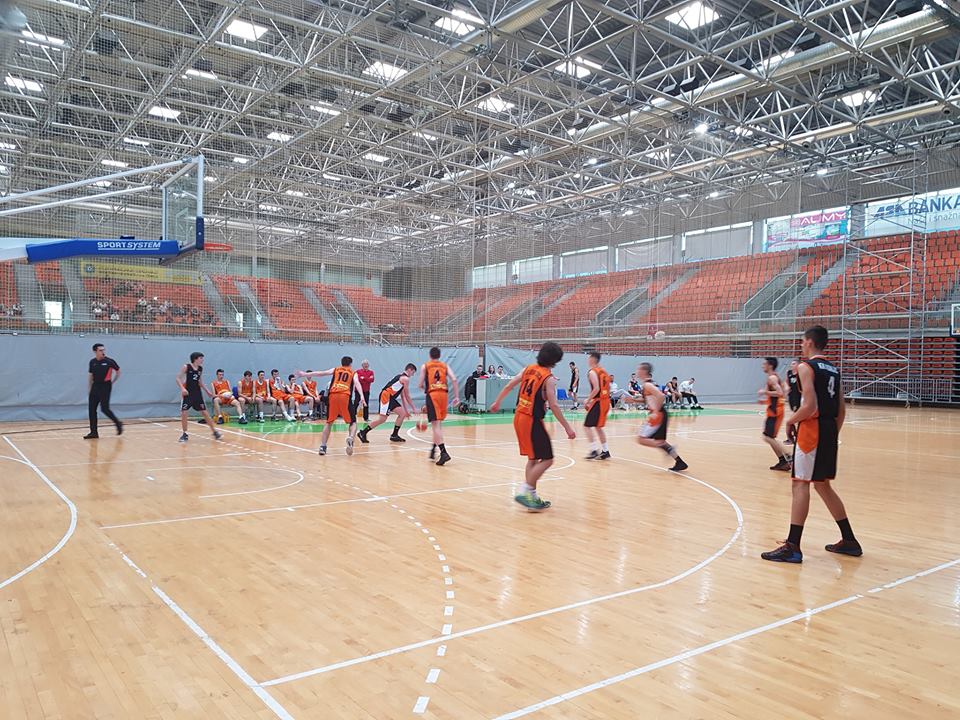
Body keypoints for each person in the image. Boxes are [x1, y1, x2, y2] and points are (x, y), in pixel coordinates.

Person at [762, 326, 862, 563]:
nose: (800, 345)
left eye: (802, 341)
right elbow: (841, 410)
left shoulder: (806, 367)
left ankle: (793, 546)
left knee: (800, 484)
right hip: (829, 430)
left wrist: (791, 421)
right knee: (823, 485)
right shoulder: (834, 370)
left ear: (809, 342)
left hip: (812, 431)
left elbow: (810, 406)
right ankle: (849, 540)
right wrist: (831, 434)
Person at [491, 342, 576, 511]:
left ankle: (532, 498)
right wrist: (567, 427)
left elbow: (509, 385)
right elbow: (554, 405)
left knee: (533, 458)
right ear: (554, 361)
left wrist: (497, 402)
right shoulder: (548, 379)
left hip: (519, 417)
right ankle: (525, 490)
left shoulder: (528, 369)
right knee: (548, 459)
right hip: (531, 420)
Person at [298, 356, 366, 456]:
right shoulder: (353, 372)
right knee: (353, 422)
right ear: (351, 364)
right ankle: (351, 437)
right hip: (345, 396)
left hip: (333, 396)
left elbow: (322, 373)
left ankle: (323, 446)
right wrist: (362, 396)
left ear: (341, 363)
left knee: (329, 422)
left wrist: (305, 374)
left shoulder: (336, 369)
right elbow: (357, 382)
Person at [631, 362, 687, 472]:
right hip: (661, 413)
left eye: (639, 369)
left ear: (644, 371)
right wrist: (633, 400)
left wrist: (655, 411)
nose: (637, 371)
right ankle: (680, 462)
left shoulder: (647, 385)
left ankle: (670, 449)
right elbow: (649, 399)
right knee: (661, 441)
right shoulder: (648, 384)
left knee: (641, 439)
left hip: (658, 414)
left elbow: (661, 396)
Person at [417, 347, 461, 465]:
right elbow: (454, 379)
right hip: (444, 395)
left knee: (435, 425)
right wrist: (457, 397)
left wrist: (425, 388)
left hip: (433, 395)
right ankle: (433, 449)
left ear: (430, 355)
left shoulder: (425, 366)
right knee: (438, 425)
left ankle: (443, 452)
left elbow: (420, 384)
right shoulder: (445, 366)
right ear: (439, 355)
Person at [357, 364, 417, 444]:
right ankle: (363, 432)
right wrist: (414, 408)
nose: (412, 375)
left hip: (391, 398)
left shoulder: (401, 378)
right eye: (413, 372)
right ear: (409, 370)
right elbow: (407, 395)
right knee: (382, 419)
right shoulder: (405, 379)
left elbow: (403, 396)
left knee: (402, 414)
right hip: (386, 396)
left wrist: (406, 410)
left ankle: (394, 435)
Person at [177, 352, 221, 442]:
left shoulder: (200, 368)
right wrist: (182, 388)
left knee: (205, 413)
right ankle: (184, 434)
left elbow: (200, 382)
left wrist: (207, 391)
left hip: (197, 394)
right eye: (201, 358)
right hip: (188, 394)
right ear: (195, 359)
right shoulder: (186, 367)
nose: (202, 360)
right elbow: (178, 378)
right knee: (184, 412)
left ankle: (214, 432)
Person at [85, 343, 123, 439]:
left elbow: (118, 371)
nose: (103, 352)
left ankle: (118, 423)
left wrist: (112, 381)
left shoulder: (109, 361)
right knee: (91, 410)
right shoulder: (92, 362)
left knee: (104, 409)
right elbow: (90, 375)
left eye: (103, 350)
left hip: (105, 387)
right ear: (95, 351)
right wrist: (89, 388)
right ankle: (94, 432)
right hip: (95, 387)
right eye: (100, 350)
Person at [759, 358, 791, 472]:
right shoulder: (775, 377)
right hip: (775, 410)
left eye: (764, 364)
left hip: (775, 412)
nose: (762, 366)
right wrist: (765, 400)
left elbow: (780, 393)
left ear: (770, 365)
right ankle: (783, 461)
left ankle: (789, 455)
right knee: (769, 437)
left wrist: (765, 392)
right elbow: (786, 389)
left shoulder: (772, 378)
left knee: (767, 437)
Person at [583, 352, 611, 460]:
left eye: (588, 358)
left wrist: (588, 400)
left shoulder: (592, 372)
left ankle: (594, 450)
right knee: (598, 427)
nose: (587, 360)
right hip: (605, 401)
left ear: (592, 359)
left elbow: (596, 388)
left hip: (599, 402)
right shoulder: (603, 371)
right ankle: (605, 451)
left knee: (586, 426)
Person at [784, 360, 801, 443]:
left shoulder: (801, 374)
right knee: (793, 420)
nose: (792, 365)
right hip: (792, 397)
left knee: (791, 420)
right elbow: (786, 382)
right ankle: (796, 435)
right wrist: (787, 387)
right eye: (791, 364)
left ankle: (790, 438)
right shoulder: (789, 373)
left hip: (798, 397)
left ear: (798, 365)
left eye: (794, 363)